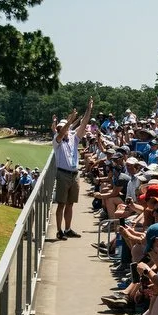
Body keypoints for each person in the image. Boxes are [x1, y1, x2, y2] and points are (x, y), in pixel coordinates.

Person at [51, 96, 92, 240]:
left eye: (64, 128)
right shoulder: (57, 141)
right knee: (61, 204)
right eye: (60, 128)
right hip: (63, 174)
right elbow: (61, 133)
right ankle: (59, 230)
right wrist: (70, 121)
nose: (62, 130)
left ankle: (68, 229)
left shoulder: (74, 138)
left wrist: (89, 109)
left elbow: (84, 123)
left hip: (74, 174)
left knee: (70, 204)